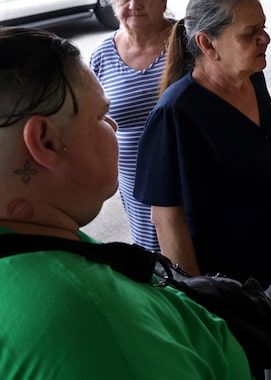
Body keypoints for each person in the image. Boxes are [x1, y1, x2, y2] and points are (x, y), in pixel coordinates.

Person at [0, 27, 250, 377]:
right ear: (47, 143)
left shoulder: (33, 246)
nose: (114, 125)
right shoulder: (89, 320)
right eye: (101, 116)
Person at [134, 0, 271, 289]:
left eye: (263, 28)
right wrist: (201, 303)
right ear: (207, 44)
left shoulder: (251, 77)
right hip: (230, 284)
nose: (265, 39)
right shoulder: (177, 113)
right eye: (249, 34)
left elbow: (243, 145)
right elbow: (167, 220)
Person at [89, 0, 173, 251]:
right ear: (114, 5)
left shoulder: (187, 43)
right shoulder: (102, 56)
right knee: (154, 260)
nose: (134, 3)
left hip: (188, 178)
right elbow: (91, 119)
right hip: (135, 185)